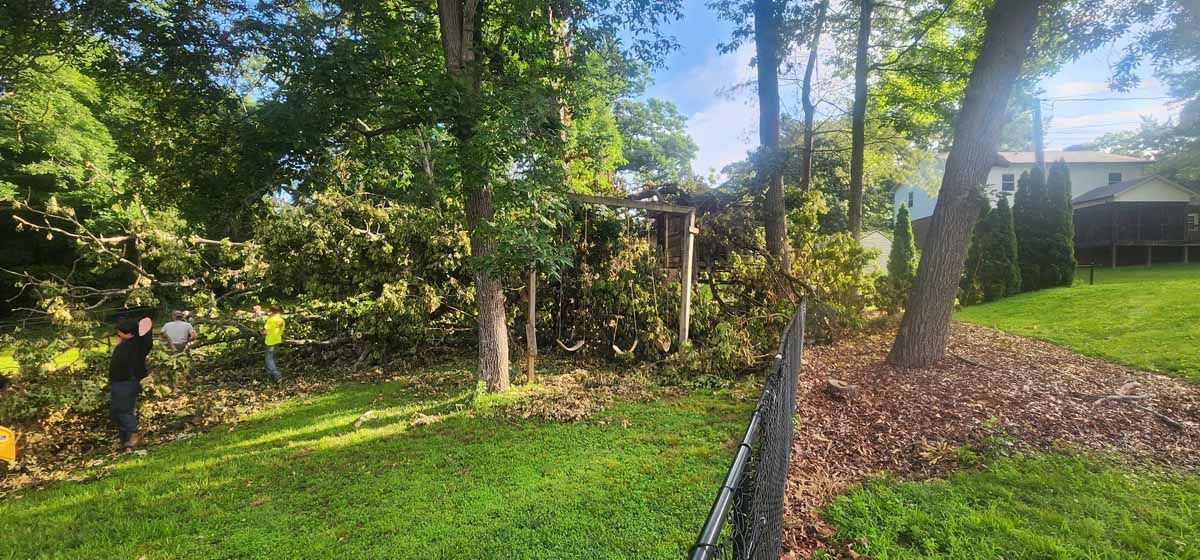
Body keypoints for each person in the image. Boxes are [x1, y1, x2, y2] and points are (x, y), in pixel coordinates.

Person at [109, 316, 153, 451]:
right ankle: (124, 441)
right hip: (117, 382)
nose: (118, 335)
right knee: (116, 412)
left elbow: (146, 321)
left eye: (120, 333)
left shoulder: (138, 344)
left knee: (124, 410)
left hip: (128, 381)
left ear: (129, 333)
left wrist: (135, 327)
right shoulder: (123, 345)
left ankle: (133, 434)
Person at [262, 305, 285, 381]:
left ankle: (277, 375)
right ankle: (269, 375)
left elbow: (265, 331)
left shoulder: (270, 320)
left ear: (271, 311)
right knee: (273, 357)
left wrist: (261, 332)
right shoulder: (282, 320)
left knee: (269, 359)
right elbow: (281, 330)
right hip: (277, 340)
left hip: (270, 341)